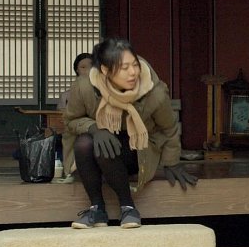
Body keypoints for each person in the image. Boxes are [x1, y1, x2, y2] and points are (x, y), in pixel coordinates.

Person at [63, 38, 197, 229]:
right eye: (124, 68)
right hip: (100, 145)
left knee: (104, 147)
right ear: (105, 70)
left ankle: (128, 207)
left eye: (134, 64)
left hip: (138, 149)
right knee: (85, 143)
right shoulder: (84, 86)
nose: (133, 72)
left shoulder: (153, 92)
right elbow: (70, 121)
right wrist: (94, 128)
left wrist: (171, 161)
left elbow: (169, 127)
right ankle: (97, 209)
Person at [53, 53, 93, 184]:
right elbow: (63, 116)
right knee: (69, 134)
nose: (87, 70)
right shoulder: (67, 95)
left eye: (91, 66)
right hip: (75, 124)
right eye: (83, 67)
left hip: (96, 124)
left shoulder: (101, 88)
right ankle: (69, 170)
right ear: (77, 70)